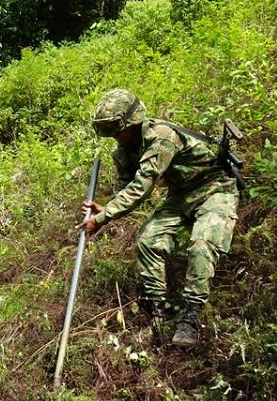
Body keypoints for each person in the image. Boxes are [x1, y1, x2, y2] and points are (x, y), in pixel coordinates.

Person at [77, 89, 239, 346]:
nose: (116, 138)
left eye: (118, 131)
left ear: (133, 121)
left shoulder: (162, 137)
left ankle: (191, 317)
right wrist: (104, 208)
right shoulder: (123, 151)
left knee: (201, 244)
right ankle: (161, 313)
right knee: (147, 240)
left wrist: (103, 217)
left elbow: (142, 186)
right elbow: (126, 186)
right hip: (179, 195)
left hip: (214, 189)